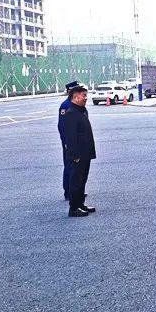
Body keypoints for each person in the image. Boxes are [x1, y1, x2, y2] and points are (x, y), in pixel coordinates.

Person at [62, 84, 97, 217]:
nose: (86, 98)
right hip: (77, 155)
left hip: (85, 153)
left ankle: (80, 204)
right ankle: (74, 208)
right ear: (75, 97)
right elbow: (70, 137)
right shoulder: (71, 113)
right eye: (83, 96)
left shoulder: (81, 110)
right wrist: (74, 155)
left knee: (82, 180)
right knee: (76, 181)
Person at [58, 81, 76, 201]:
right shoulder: (66, 105)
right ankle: (68, 192)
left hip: (77, 142)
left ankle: (76, 190)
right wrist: (66, 142)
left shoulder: (75, 104)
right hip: (69, 142)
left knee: (77, 168)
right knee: (69, 166)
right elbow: (62, 126)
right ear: (70, 91)